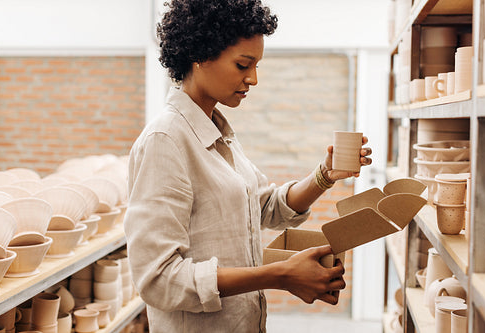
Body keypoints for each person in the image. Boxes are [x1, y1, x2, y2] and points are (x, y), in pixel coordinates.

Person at [124, 0, 372, 332]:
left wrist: (324, 175)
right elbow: (158, 280)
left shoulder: (219, 132)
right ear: (200, 55)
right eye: (243, 65)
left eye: (256, 65)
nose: (253, 78)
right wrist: (280, 275)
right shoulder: (165, 141)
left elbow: (266, 207)